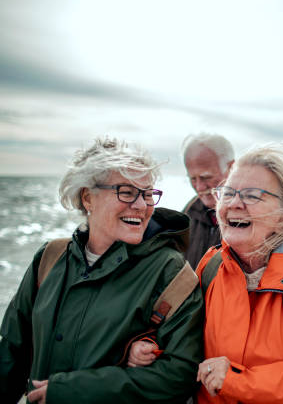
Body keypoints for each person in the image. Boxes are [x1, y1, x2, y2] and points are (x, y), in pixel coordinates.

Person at [131, 145, 283, 403]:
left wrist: (237, 380)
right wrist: (148, 349)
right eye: (228, 193)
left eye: (252, 196)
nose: (235, 204)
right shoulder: (212, 266)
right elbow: (183, 339)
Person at [0, 137, 203, 403]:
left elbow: (180, 374)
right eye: (126, 192)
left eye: (147, 193)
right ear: (87, 198)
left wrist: (71, 391)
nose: (141, 206)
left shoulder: (170, 272)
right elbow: (11, 352)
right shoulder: (50, 257)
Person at [182, 133, 235, 268]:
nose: (199, 187)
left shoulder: (250, 215)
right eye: (193, 179)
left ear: (231, 168)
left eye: (206, 177)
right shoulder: (188, 213)